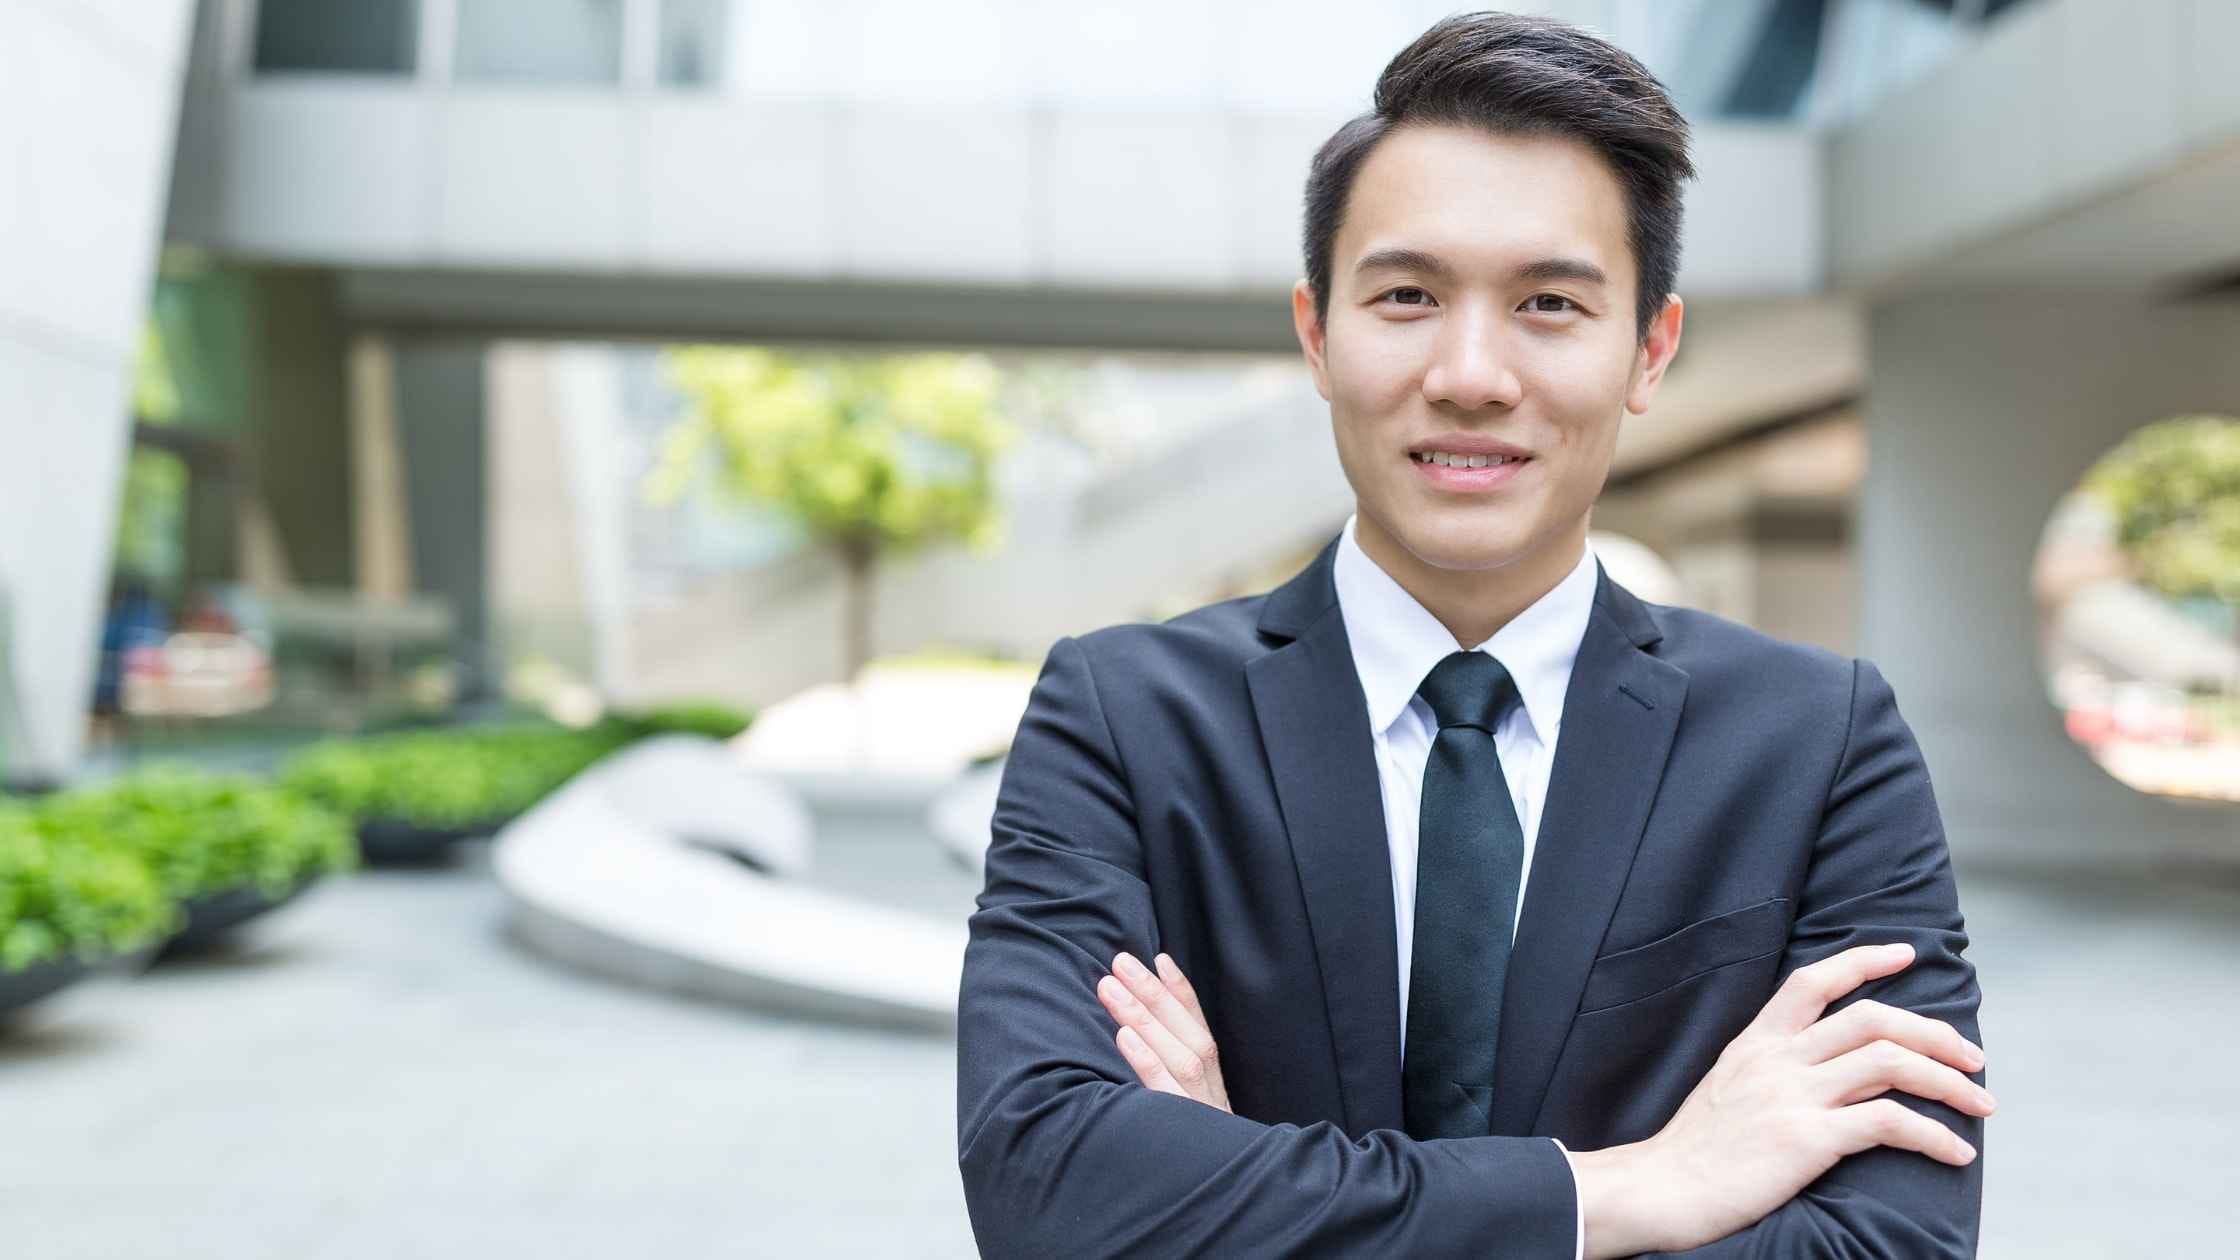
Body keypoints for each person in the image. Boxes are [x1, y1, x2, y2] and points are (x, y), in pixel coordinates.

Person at [955, 11, 1988, 1257]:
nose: (1470, 371)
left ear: (1647, 348)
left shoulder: (1816, 744)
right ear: (1316, 334)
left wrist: (1238, 1195)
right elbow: (1045, 1191)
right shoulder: (1122, 718)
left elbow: (1892, 1244)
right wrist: (1632, 1189)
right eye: (1405, 295)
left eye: (1548, 303)